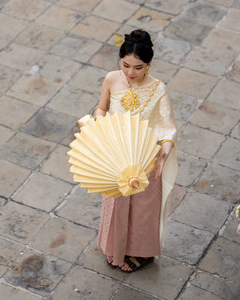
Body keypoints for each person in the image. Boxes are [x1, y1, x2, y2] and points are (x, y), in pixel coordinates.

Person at [95, 29, 178, 272]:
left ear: (149, 63)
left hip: (146, 157)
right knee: (116, 202)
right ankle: (116, 248)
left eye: (138, 67)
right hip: (118, 153)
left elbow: (167, 126)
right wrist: (97, 126)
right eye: (126, 65)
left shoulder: (158, 89)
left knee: (143, 208)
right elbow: (101, 108)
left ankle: (142, 253)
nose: (131, 73)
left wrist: (164, 151)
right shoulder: (112, 78)